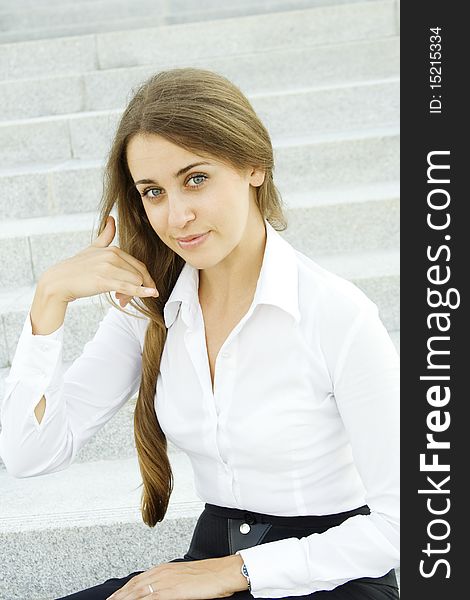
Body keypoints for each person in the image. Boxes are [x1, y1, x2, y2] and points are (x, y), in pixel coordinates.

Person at [0, 68, 400, 599]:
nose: (178, 215)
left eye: (195, 179)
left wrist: (237, 570)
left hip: (330, 574)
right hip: (210, 561)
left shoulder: (336, 315)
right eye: (153, 191)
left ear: (253, 164)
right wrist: (48, 301)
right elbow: (30, 454)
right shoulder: (150, 308)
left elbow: (408, 523)